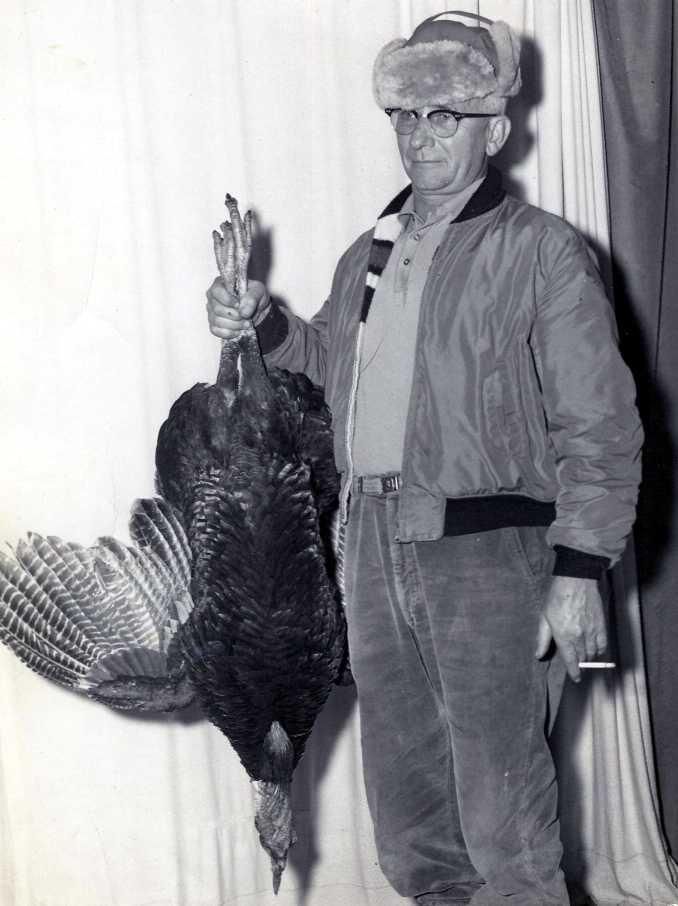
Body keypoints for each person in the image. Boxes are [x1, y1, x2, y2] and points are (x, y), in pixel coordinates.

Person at [206, 11, 643, 905]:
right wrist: (264, 322)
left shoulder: (542, 252)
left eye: (444, 115)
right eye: (405, 116)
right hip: (371, 549)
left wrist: (579, 570)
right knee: (412, 831)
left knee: (504, 827)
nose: (420, 136)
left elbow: (601, 425)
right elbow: (330, 367)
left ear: (496, 129)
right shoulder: (368, 252)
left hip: (490, 558)